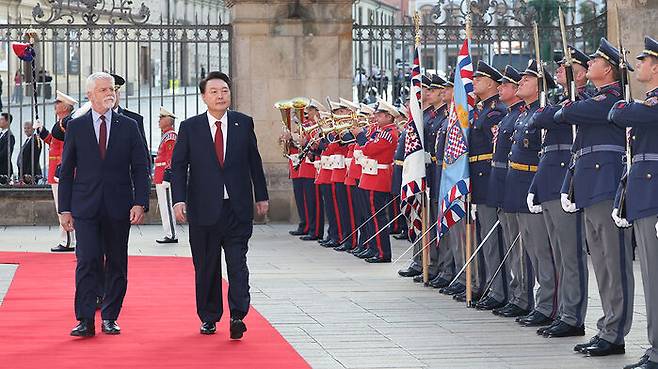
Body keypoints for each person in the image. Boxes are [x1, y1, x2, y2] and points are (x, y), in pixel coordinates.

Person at [171, 71, 268, 339]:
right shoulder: (190, 127)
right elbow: (178, 167)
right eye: (214, 91)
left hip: (236, 209)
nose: (220, 95)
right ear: (204, 97)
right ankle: (209, 317)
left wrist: (261, 196)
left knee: (237, 263)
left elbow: (254, 163)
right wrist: (178, 199)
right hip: (203, 210)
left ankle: (238, 315)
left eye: (224, 90)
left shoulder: (243, 123)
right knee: (206, 266)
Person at [554, 38, 634, 357]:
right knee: (600, 263)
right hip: (589, 186)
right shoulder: (593, 96)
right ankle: (606, 327)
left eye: (594, 62)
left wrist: (574, 97)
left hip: (606, 184)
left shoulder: (612, 99)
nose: (589, 67)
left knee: (614, 264)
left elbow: (567, 113)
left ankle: (615, 332)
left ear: (609, 69)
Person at [58, 72, 150, 337]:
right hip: (84, 207)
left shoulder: (129, 126)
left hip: (119, 206)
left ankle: (110, 316)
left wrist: (140, 202)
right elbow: (67, 171)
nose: (110, 93)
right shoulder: (76, 127)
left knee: (117, 263)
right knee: (87, 260)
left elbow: (140, 167)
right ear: (90, 95)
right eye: (103, 90)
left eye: (111, 89)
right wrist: (64, 208)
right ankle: (85, 319)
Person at [527, 46, 590, 338]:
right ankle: (564, 311)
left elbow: (552, 118)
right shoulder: (559, 101)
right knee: (558, 253)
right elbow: (538, 119)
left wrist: (558, 112)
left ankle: (573, 316)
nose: (558, 69)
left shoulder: (583, 101)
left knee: (571, 254)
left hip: (567, 181)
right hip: (550, 181)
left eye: (565, 66)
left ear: (579, 74)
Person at [609, 36, 658, 369]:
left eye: (643, 61)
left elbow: (618, 112)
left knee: (655, 279)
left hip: (654, 197)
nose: (638, 66)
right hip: (643, 196)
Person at [353, 98, 399, 263]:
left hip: (378, 177)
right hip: (371, 176)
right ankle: (373, 248)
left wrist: (360, 137)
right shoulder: (380, 132)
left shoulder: (388, 133)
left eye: (380, 115)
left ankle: (382, 252)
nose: (376, 118)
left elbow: (370, 149)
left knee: (377, 217)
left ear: (388, 117)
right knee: (370, 217)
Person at [34, 90, 78, 252]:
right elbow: (53, 142)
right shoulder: (61, 122)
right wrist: (41, 130)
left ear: (66, 107)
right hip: (56, 170)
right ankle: (70, 239)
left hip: (61, 171)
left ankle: (67, 241)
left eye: (58, 103)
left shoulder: (66, 123)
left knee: (64, 207)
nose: (55, 105)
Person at [154, 107, 178, 244]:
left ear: (168, 121)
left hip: (164, 175)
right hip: (159, 174)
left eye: (161, 118)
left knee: (167, 206)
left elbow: (171, 158)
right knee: (164, 206)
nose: (159, 121)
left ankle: (172, 234)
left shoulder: (170, 136)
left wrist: (168, 176)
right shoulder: (165, 135)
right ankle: (168, 232)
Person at [110, 73, 149, 156]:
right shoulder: (86, 120)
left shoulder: (135, 120)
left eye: (115, 91)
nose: (111, 96)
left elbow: (143, 156)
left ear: (119, 94)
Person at [0, 112, 15, 181]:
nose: (0, 121)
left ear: (7, 122)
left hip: (4, 169)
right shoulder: (1, 134)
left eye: (2, 119)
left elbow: (5, 153)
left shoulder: (10, 136)